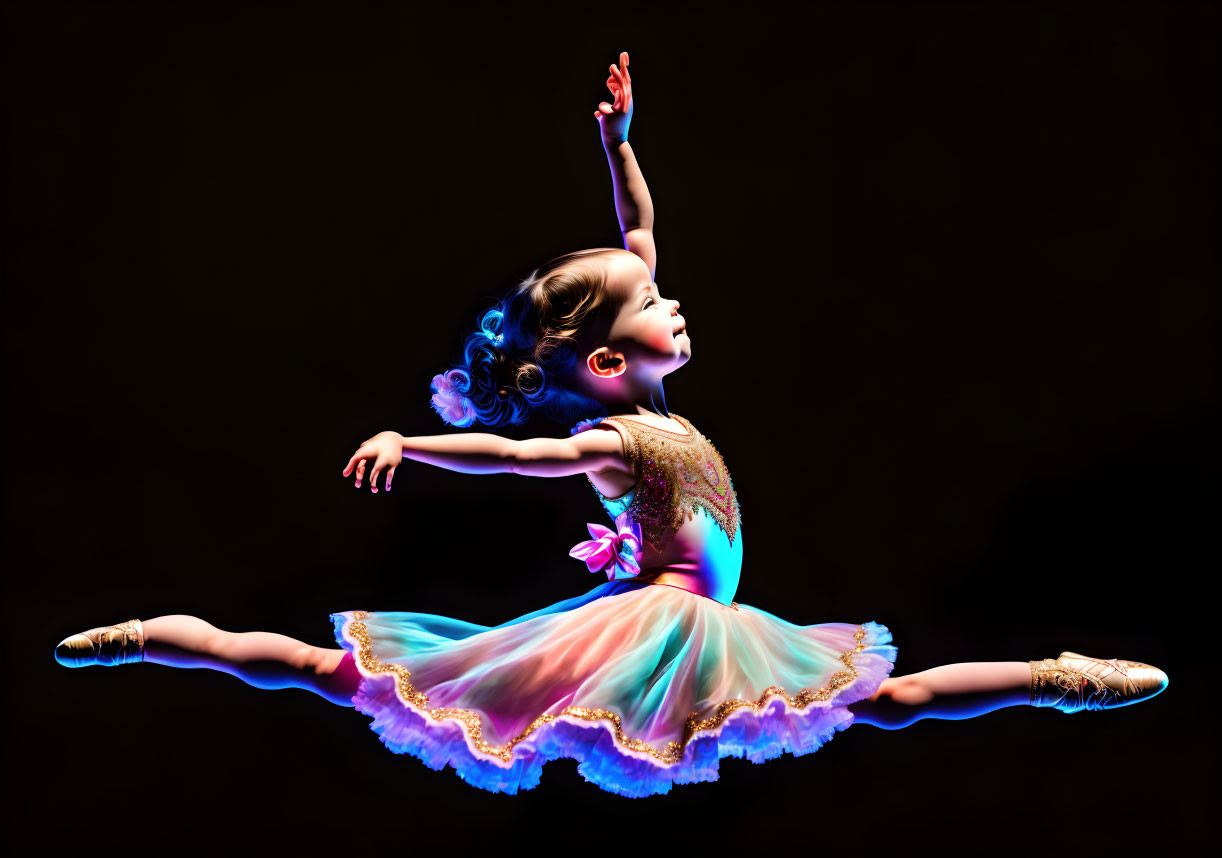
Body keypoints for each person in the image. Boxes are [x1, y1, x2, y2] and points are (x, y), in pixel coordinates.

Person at [54, 51, 1168, 798]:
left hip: (694, 617)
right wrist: (410, 440)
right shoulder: (617, 438)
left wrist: (619, 141)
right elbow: (512, 453)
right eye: (651, 311)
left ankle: (1055, 674)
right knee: (346, 674)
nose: (668, 297)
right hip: (663, 622)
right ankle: (167, 635)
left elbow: (637, 233)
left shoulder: (648, 396)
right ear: (604, 361)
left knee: (884, 704)